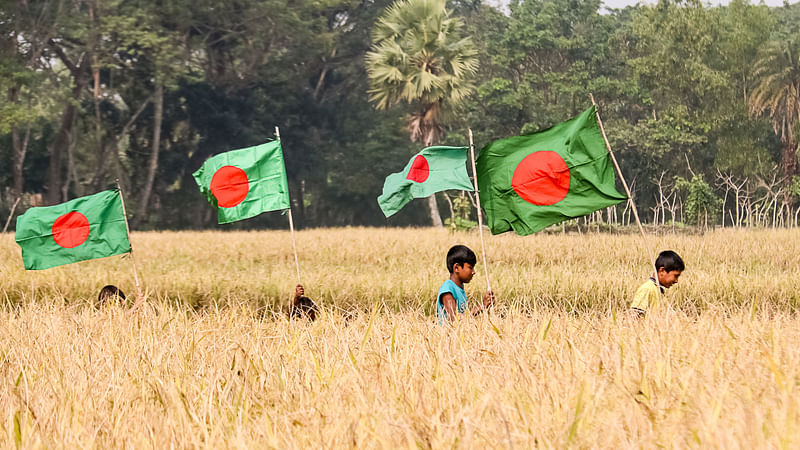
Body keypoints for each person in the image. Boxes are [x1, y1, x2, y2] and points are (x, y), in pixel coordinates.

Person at [437, 245, 494, 323]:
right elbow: (454, 318)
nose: (474, 272)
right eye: (470, 267)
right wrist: (481, 306)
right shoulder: (448, 288)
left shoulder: (460, 288)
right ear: (456, 268)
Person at [630, 250, 684, 316]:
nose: (676, 281)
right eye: (675, 276)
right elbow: (635, 317)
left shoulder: (659, 290)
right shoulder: (646, 289)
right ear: (662, 271)